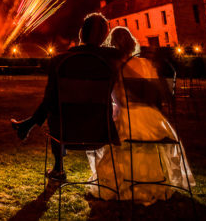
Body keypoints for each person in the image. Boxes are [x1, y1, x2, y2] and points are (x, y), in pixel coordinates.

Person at [88, 26, 195, 204]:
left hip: (127, 117)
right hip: (153, 120)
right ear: (132, 44)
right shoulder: (145, 64)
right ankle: (154, 181)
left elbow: (107, 96)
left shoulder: (113, 68)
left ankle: (125, 183)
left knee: (121, 139)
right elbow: (159, 96)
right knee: (150, 145)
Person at [9, 12, 122, 180]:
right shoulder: (112, 59)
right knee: (56, 106)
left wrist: (35, 120)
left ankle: (58, 168)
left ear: (81, 33)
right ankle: (28, 125)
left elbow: (49, 101)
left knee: (54, 105)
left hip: (66, 130)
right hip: (101, 130)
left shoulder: (60, 60)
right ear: (105, 36)